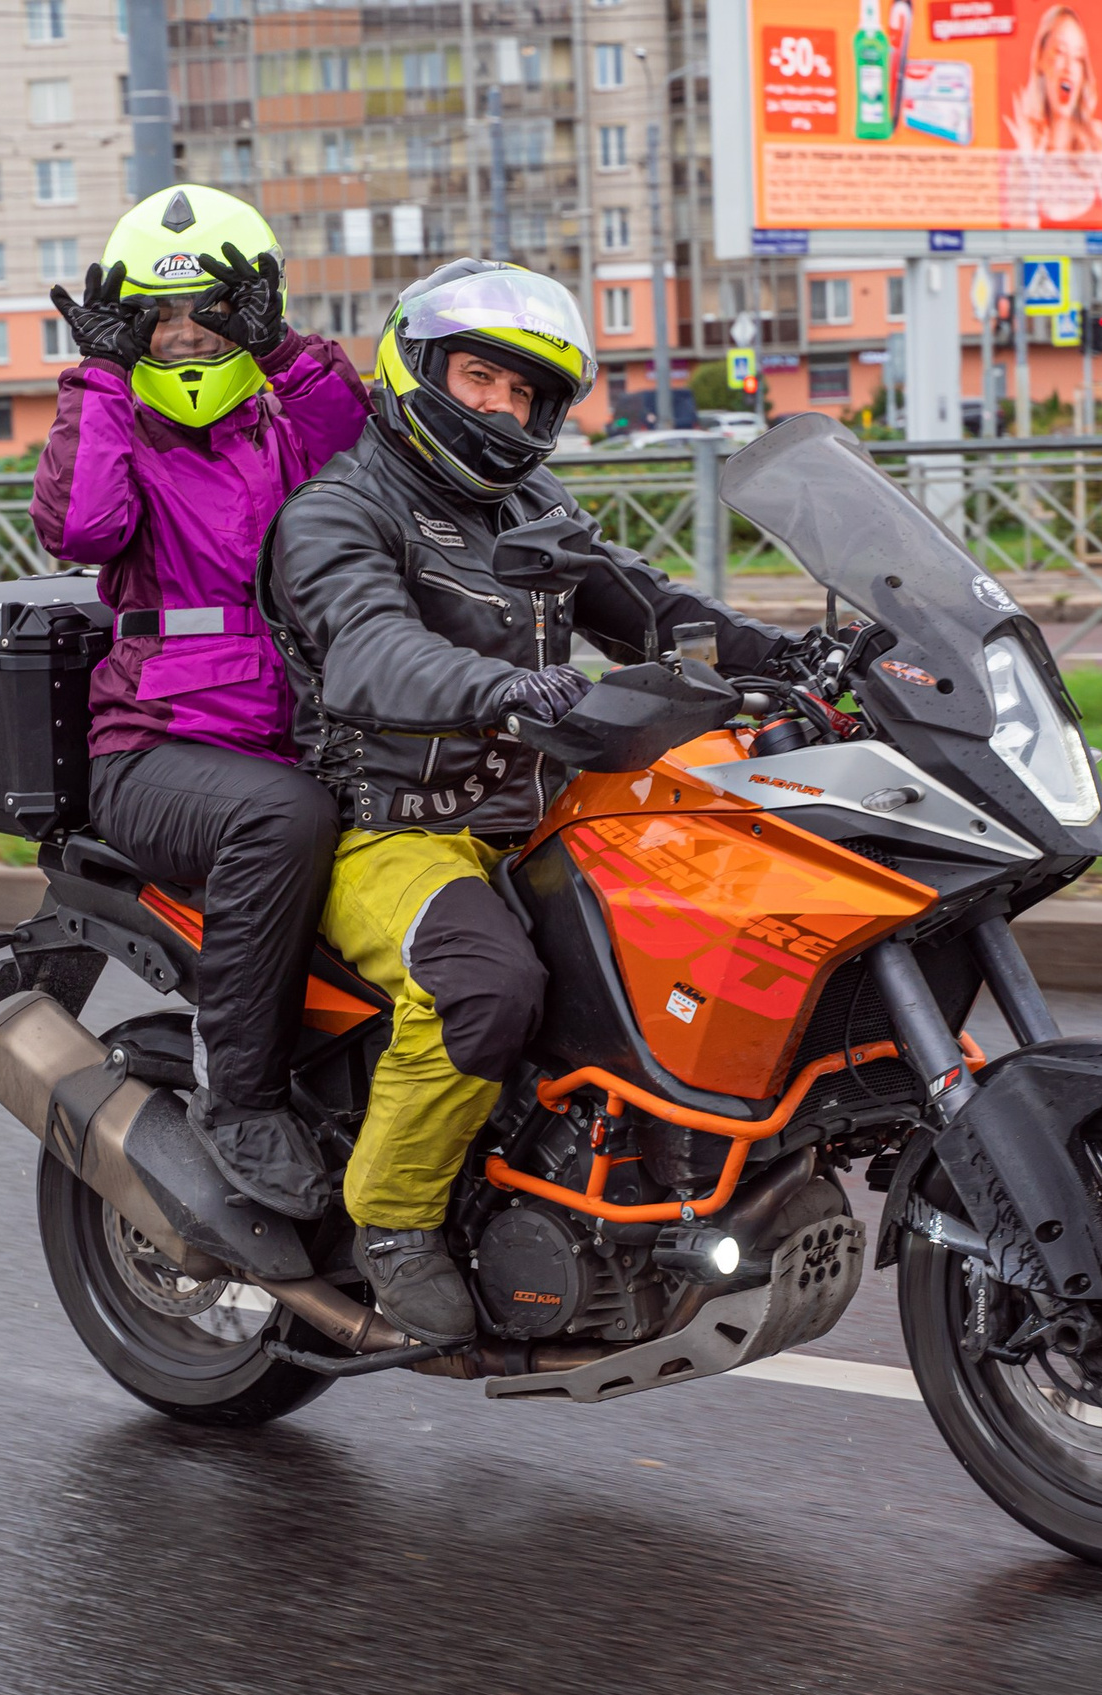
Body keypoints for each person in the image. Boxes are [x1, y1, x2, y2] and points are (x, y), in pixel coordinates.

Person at [263, 259, 818, 1340]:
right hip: (387, 824)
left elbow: (645, 608)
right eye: (481, 381)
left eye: (527, 397)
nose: (503, 411)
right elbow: (369, 649)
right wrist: (500, 686)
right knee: (485, 987)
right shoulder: (335, 511)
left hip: (536, 811)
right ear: (420, 370)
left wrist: (795, 655)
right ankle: (392, 1222)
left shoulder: (529, 501)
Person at [32, 184, 370, 1221]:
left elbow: (365, 458)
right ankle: (241, 1095)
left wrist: (286, 358)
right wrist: (95, 376)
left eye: (207, 311)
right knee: (285, 818)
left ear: (253, 307)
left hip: (302, 735)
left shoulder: (283, 423)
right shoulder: (117, 420)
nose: (180, 338)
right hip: (153, 752)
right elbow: (80, 529)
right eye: (155, 318)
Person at [1004, 3, 1102, 230]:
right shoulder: (1021, 161)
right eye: (1059, 52)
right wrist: (1029, 166)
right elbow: (1022, 249)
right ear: (1040, 59)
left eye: (1078, 58)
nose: (1069, 67)